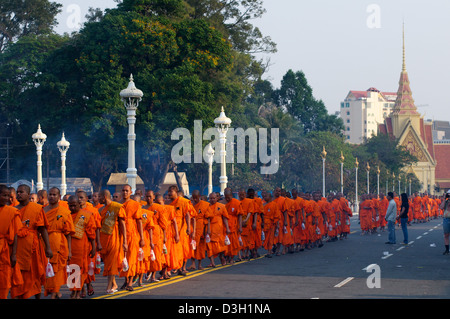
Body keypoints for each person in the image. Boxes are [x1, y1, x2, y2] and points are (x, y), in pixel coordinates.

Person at [11, 184, 53, 299]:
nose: (19, 194)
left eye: (22, 192)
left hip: (33, 247)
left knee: (35, 272)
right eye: (17, 192)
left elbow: (43, 229)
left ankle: (37, 297)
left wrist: (48, 247)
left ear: (28, 194)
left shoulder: (36, 209)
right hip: (17, 247)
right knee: (19, 274)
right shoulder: (13, 210)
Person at [43, 187, 75, 299]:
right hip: (45, 243)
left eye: (54, 195)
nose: (52, 196)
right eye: (50, 194)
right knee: (48, 267)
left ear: (59, 197)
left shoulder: (64, 212)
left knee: (57, 269)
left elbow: (68, 234)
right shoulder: (43, 210)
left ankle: (55, 291)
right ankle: (54, 291)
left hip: (60, 243)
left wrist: (70, 251)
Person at [98, 189, 127, 294]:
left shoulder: (117, 207)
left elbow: (122, 224)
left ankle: (110, 285)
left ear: (104, 196)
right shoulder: (101, 210)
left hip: (114, 239)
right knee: (108, 264)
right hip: (103, 240)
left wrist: (125, 242)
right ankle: (114, 283)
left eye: (99, 196)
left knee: (112, 263)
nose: (98, 199)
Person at [67, 195, 97, 299]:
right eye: (70, 206)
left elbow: (91, 233)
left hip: (82, 246)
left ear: (79, 205)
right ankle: (73, 290)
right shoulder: (67, 215)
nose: (72, 208)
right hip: (70, 247)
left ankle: (78, 292)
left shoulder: (86, 215)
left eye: (74, 206)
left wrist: (94, 247)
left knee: (80, 270)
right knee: (72, 269)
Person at [119, 185, 145, 291]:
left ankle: (130, 282)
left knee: (131, 258)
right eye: (123, 190)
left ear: (131, 192)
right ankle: (126, 280)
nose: (125, 192)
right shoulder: (118, 204)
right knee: (122, 259)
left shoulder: (135, 205)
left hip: (132, 234)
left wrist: (142, 238)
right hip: (120, 234)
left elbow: (139, 221)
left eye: (127, 191)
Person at [0, 185, 22, 299]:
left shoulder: (12, 212)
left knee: (4, 278)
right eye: (4, 195)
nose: (7, 198)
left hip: (5, 250)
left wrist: (13, 254)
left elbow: (16, 235)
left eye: (8, 196)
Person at [440, 191, 450, 255]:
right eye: (448, 195)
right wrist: (445, 199)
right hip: (446, 219)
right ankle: (447, 250)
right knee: (446, 235)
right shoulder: (446, 201)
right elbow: (441, 207)